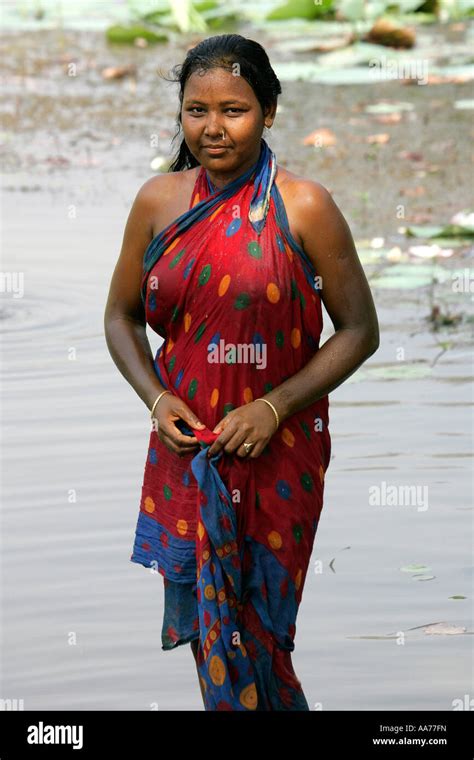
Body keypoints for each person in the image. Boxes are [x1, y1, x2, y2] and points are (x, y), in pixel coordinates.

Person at [103, 33, 379, 711]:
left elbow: (360, 331)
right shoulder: (157, 203)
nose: (214, 128)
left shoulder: (305, 206)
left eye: (234, 110)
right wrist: (155, 395)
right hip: (188, 449)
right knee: (212, 638)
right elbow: (119, 317)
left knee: (259, 636)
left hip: (277, 452)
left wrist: (274, 408)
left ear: (270, 112)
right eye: (197, 111)